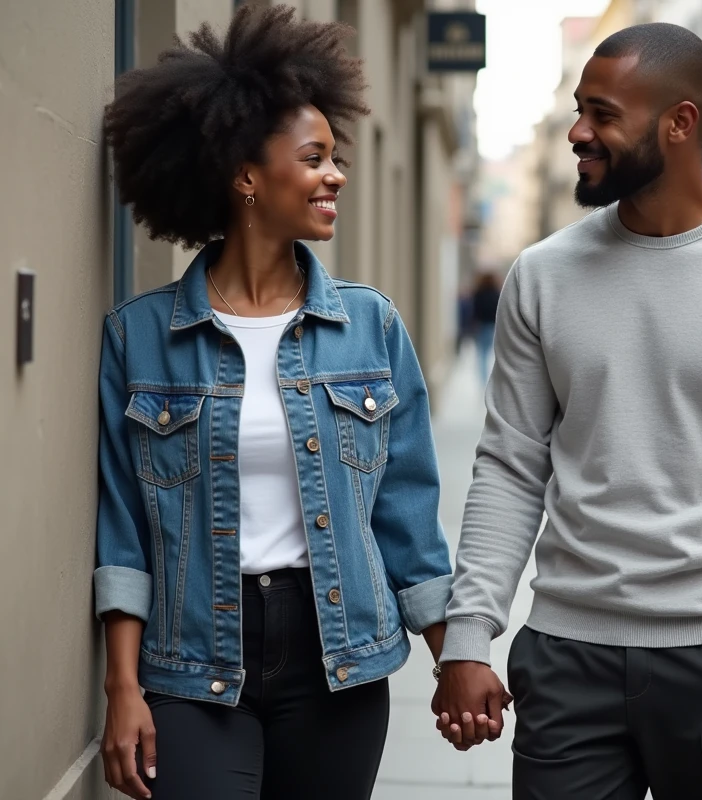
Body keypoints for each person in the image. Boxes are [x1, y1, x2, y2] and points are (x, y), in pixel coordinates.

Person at [433, 23, 702, 800]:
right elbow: (510, 465)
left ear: (680, 122)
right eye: (577, 111)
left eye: (602, 114)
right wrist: (467, 640)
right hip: (567, 655)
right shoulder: (542, 277)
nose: (578, 133)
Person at [94, 5, 454, 799]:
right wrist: (122, 690)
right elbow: (121, 532)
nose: (336, 176)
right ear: (245, 176)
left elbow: (405, 509)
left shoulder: (370, 325)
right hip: (193, 661)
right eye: (315, 157)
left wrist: (452, 656)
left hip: (340, 653)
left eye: (337, 157)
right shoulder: (140, 336)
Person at [470, 271, 502, 385]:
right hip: (493, 327)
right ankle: (492, 380)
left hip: (481, 326)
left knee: (482, 354)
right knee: (493, 354)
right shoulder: (497, 294)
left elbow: (474, 311)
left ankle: (484, 381)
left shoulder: (478, 293)